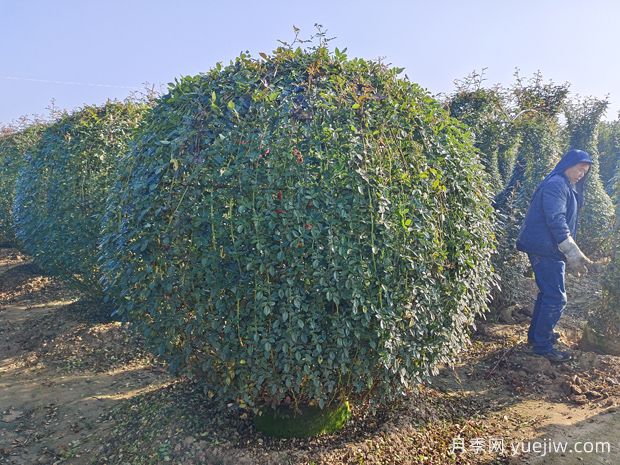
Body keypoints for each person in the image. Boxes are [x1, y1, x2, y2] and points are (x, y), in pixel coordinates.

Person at [516, 149, 593, 362]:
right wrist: (571, 250)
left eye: (585, 171)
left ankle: (538, 337)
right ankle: (542, 346)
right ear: (568, 164)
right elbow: (556, 219)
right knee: (556, 298)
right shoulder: (556, 184)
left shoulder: (564, 185)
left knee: (547, 293)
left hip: (548, 248)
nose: (581, 174)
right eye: (579, 168)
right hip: (545, 248)